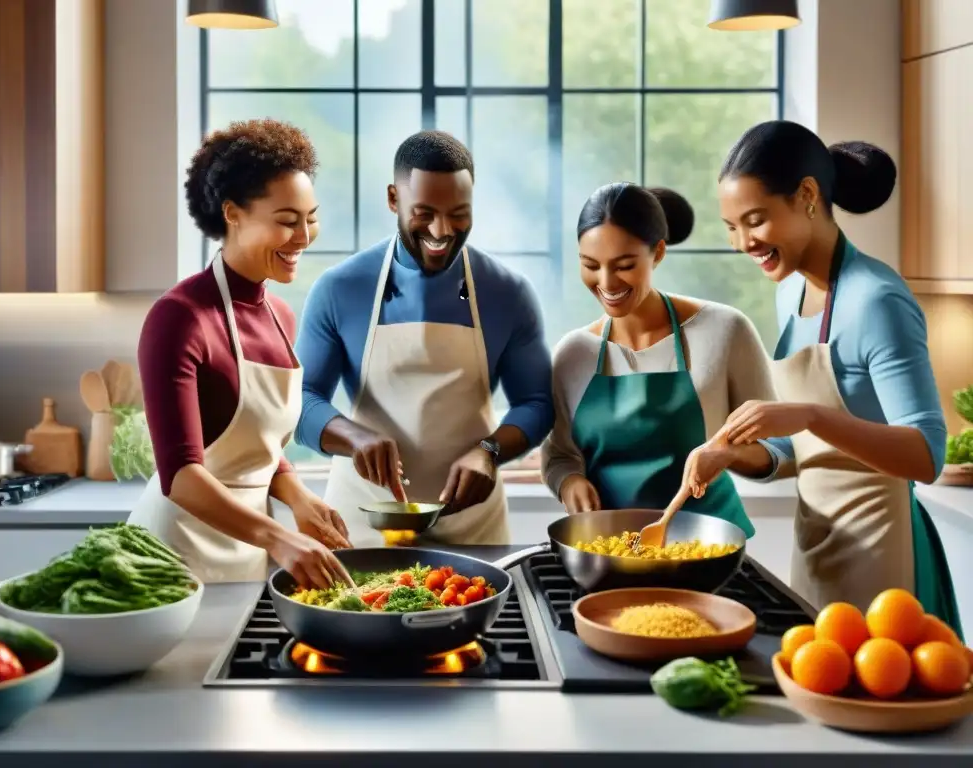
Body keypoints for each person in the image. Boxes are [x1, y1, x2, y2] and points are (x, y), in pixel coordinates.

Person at [694, 119, 962, 636]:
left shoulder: (877, 300)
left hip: (884, 553)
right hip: (817, 545)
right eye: (731, 227)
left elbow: (928, 455)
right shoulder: (788, 292)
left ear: (808, 196)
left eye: (755, 220)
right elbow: (800, 453)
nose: (742, 243)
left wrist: (812, 415)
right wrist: (734, 452)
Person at [294, 130, 554, 547]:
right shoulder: (340, 288)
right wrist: (354, 436)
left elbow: (537, 404)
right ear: (393, 200)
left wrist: (489, 451)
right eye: (425, 212)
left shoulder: (508, 292)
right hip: (364, 524)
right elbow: (300, 400)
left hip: (472, 527)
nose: (442, 230)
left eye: (459, 213)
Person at [129, 118, 353, 589]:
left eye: (310, 218)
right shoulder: (179, 318)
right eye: (287, 221)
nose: (304, 237)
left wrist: (297, 497)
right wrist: (280, 539)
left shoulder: (280, 315)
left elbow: (258, 447)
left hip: (249, 551)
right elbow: (181, 475)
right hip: (171, 559)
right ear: (232, 213)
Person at [540, 183, 779, 537]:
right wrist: (569, 482)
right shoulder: (573, 353)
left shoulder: (724, 330)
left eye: (624, 265)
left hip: (709, 546)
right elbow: (559, 455)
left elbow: (776, 447)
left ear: (658, 253)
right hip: (608, 549)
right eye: (590, 265)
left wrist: (728, 452)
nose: (606, 282)